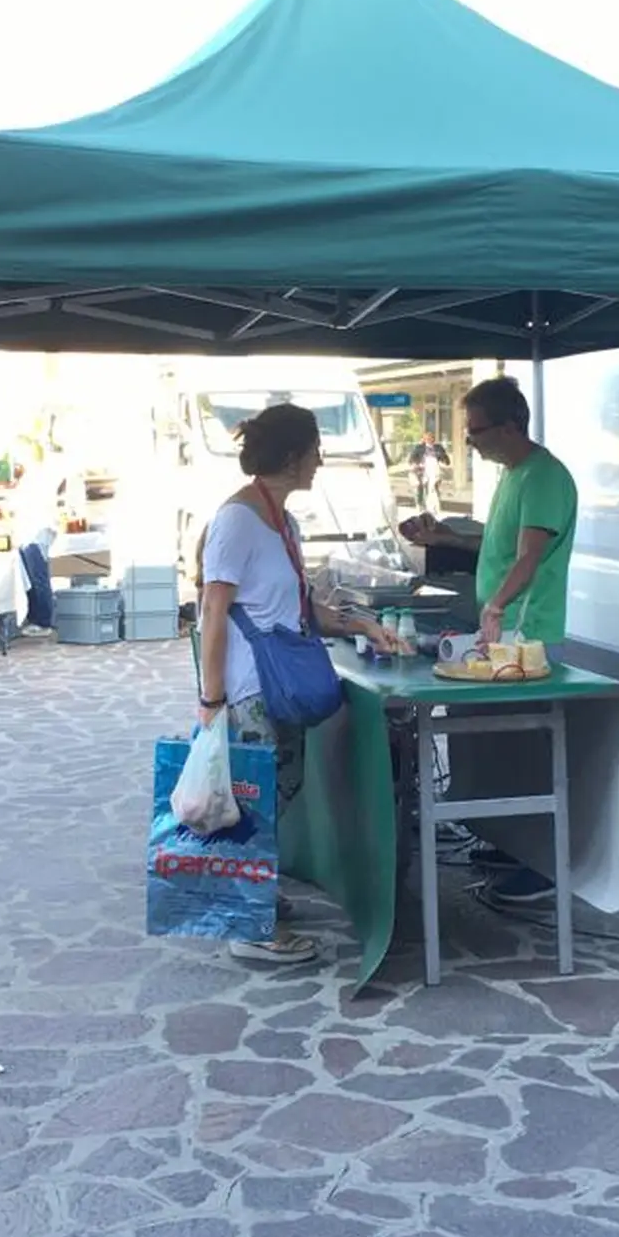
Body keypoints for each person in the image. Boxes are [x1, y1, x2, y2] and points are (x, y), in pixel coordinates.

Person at [197, 402, 399, 965]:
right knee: (250, 799)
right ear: (291, 456)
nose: (320, 459)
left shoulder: (279, 518)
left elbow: (299, 604)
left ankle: (254, 893)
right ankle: (250, 925)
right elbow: (214, 611)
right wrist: (212, 699)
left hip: (273, 684)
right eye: (315, 449)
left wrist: (359, 624)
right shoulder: (238, 519)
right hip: (247, 688)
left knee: (271, 794)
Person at [405, 374, 578, 905]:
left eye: (477, 433)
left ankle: (543, 864)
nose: (471, 443)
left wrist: (497, 605)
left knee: (530, 750)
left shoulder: (543, 477)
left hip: (530, 633)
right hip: (507, 631)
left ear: (508, 426)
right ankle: (511, 843)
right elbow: (497, 542)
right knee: (502, 750)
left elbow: (528, 555)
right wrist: (442, 538)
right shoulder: (512, 473)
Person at [407, 429, 452, 515]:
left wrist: (444, 460)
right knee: (423, 487)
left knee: (433, 488)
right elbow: (412, 459)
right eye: (426, 437)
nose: (429, 439)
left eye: (430, 437)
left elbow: (446, 459)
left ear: (433, 439)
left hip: (435, 469)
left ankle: (433, 507)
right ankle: (422, 505)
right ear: (424, 439)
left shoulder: (438, 447)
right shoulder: (419, 448)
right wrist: (416, 465)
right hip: (423, 469)